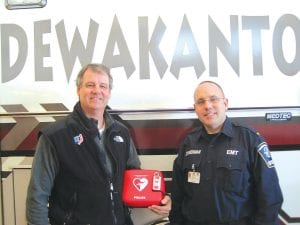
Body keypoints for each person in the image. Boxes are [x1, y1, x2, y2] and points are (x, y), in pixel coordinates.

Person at [26, 63, 171, 225]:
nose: (97, 91)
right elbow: (37, 195)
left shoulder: (121, 132)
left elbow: (135, 178)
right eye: (90, 85)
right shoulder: (55, 136)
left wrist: (160, 198)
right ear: (78, 90)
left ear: (109, 92)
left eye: (103, 86)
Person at [168, 81, 283, 225]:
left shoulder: (249, 139)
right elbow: (178, 196)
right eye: (201, 101)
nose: (208, 106)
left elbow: (270, 196)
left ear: (225, 103)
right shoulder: (188, 142)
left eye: (213, 99)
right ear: (195, 108)